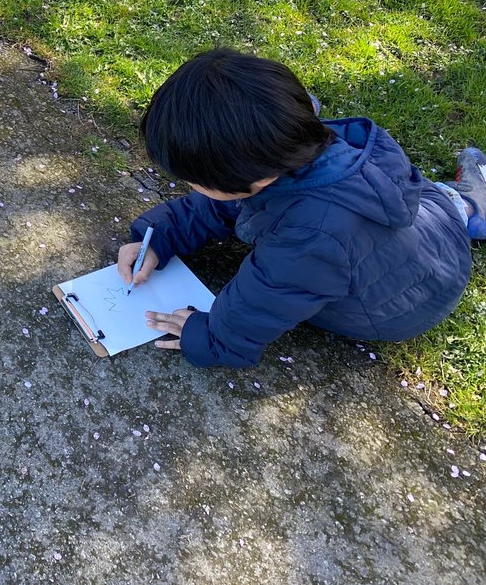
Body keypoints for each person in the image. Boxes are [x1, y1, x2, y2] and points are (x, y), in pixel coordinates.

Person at [118, 48, 481, 367]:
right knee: (441, 209)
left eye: (194, 180)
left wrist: (208, 336)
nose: (191, 186)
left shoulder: (310, 238)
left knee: (426, 219)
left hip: (405, 305)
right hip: (427, 234)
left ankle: (470, 203)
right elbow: (225, 204)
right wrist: (162, 235)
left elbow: (256, 312)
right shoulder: (289, 143)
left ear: (246, 177)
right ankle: (463, 203)